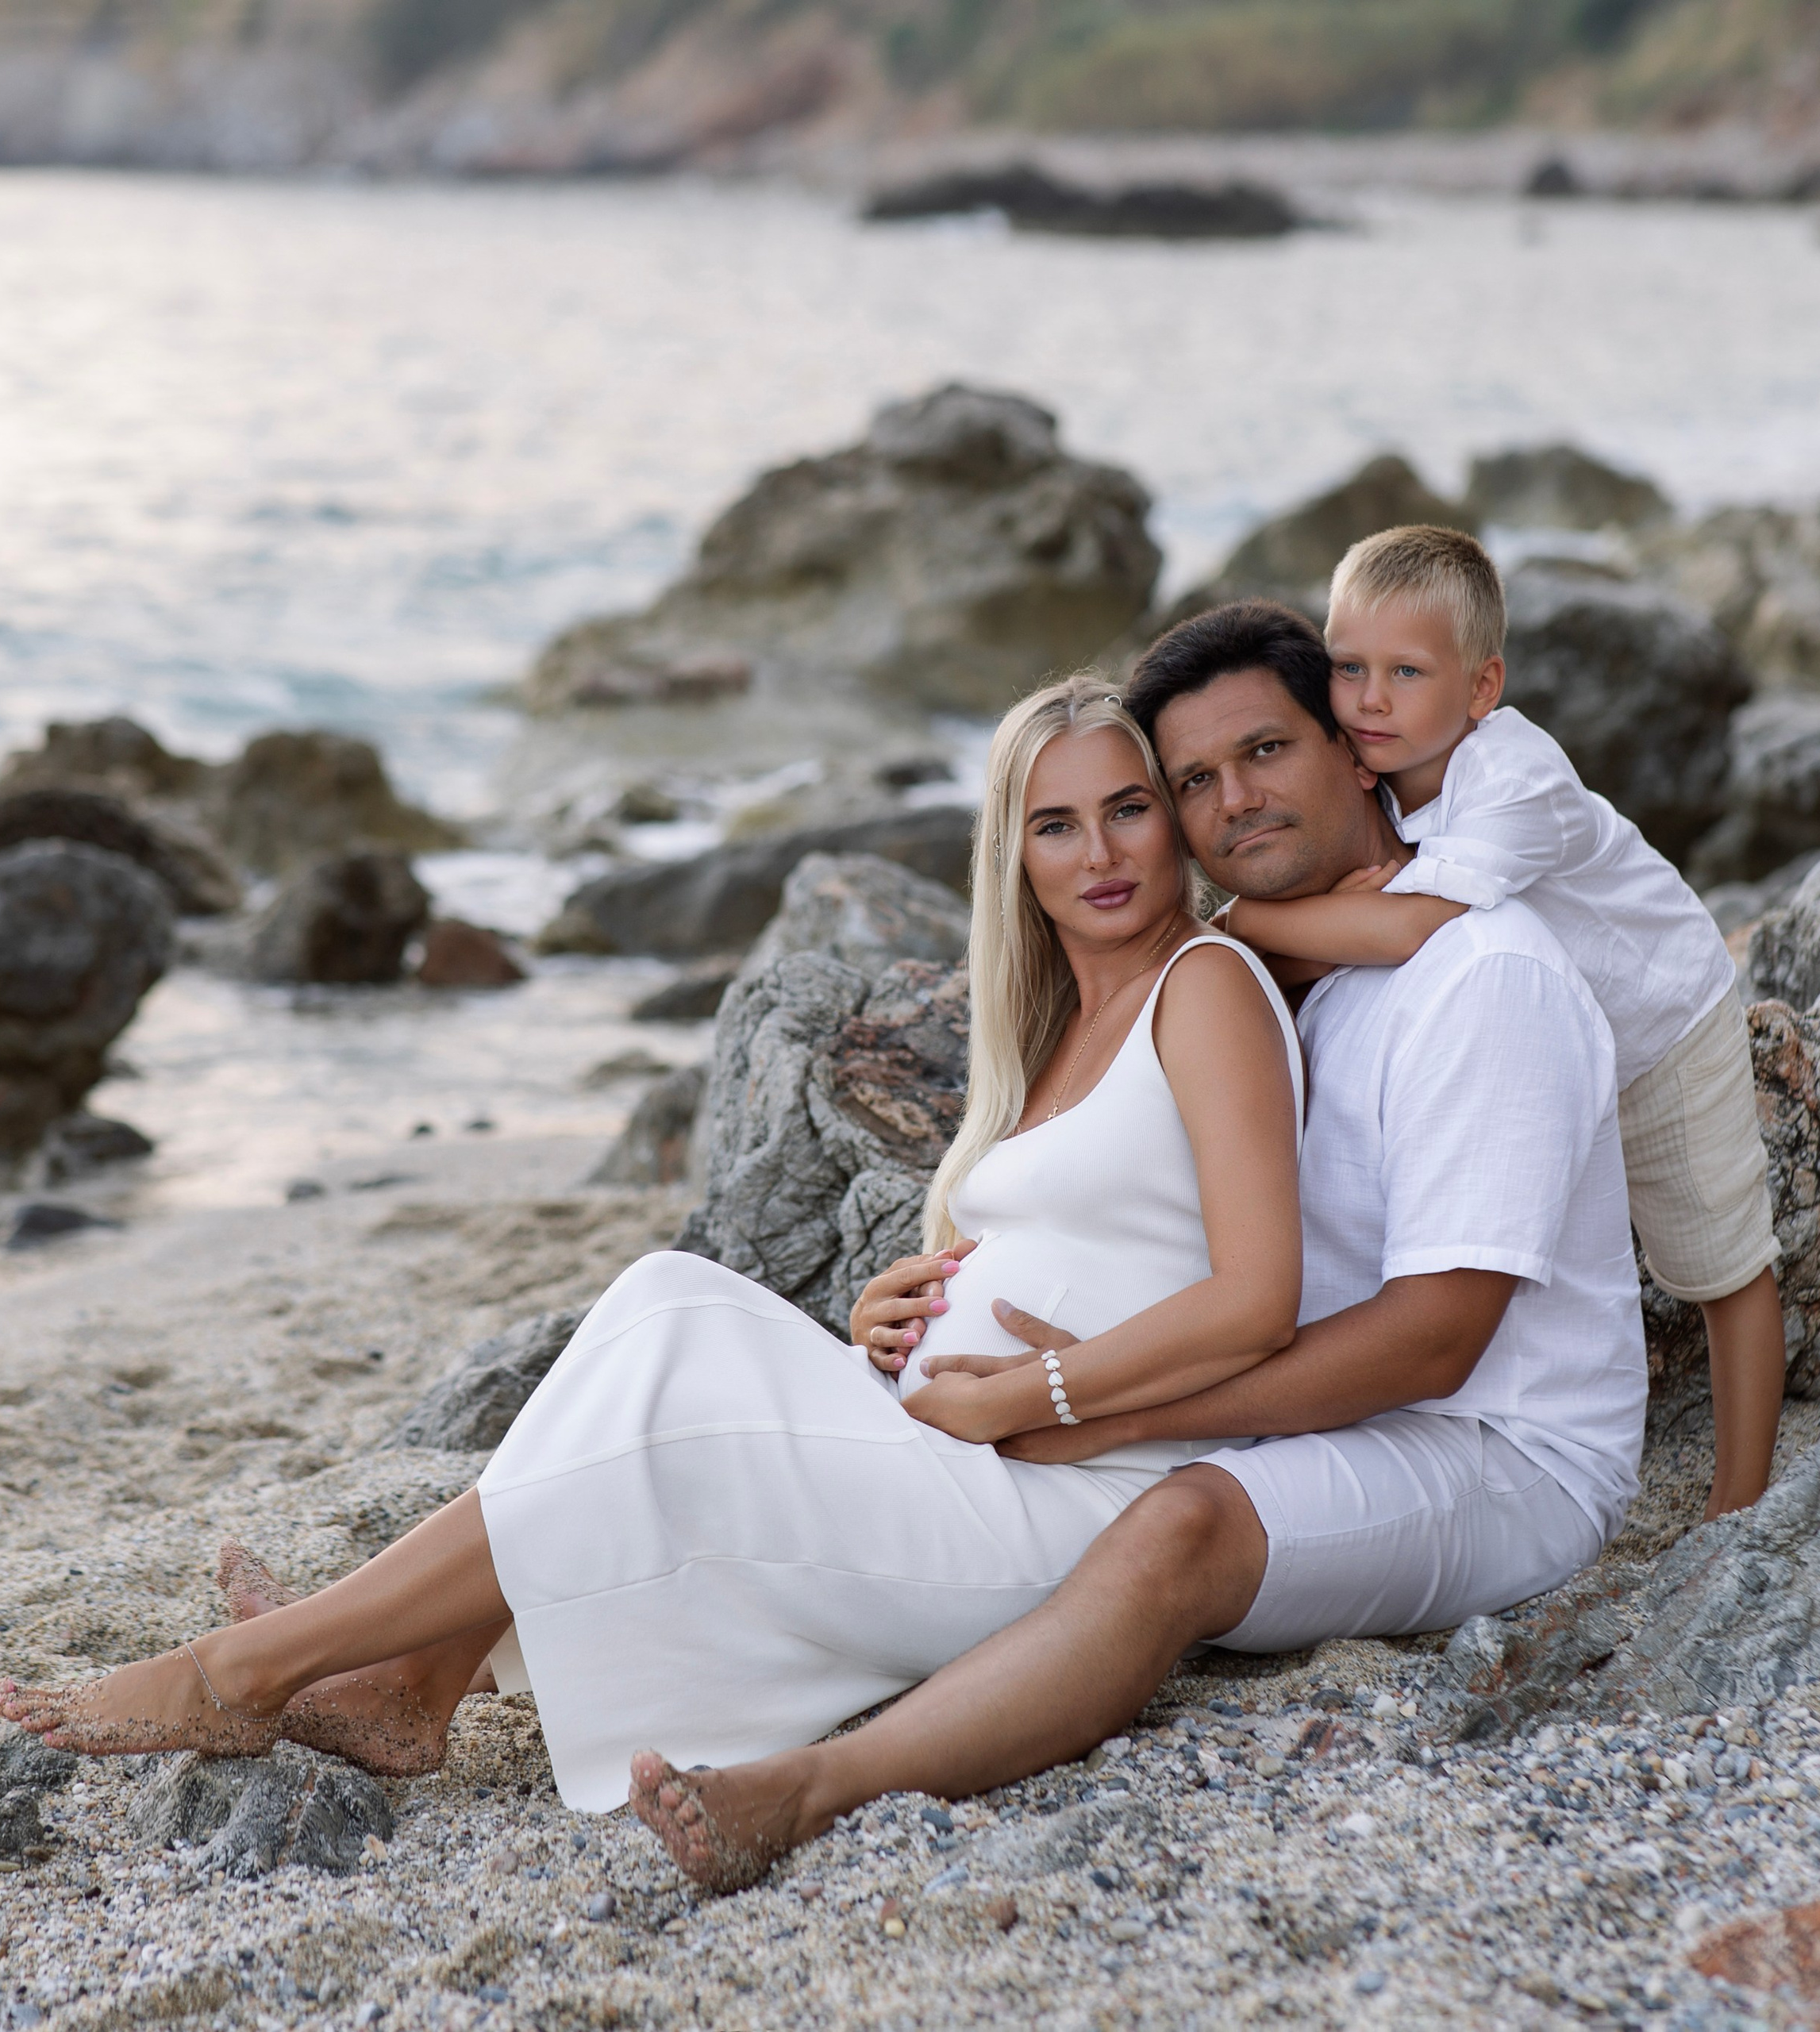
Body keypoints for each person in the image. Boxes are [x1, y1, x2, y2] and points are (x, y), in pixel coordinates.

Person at [0, 672, 1306, 1878]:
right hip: (961, 1447)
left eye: (1129, 809)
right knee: (666, 1299)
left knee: (670, 1390)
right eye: (1058, 825)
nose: (1103, 854)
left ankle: (263, 1667)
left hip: (1066, 1510)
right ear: (1013, 857)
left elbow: (1259, 1296)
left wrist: (1040, 1391)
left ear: (1171, 822)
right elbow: (1089, 1236)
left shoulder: (1208, 988)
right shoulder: (1067, 1022)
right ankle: (412, 1675)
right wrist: (904, 1304)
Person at [618, 598, 1648, 1896]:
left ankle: (813, 1787)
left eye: (1266, 753)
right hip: (1328, 1412)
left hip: (1505, 1452)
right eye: (1197, 781)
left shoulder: (1480, 978)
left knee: (1181, 1532)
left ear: (1355, 749)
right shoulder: (1284, 965)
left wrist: (1097, 1407)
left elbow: (1439, 1340)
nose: (1234, 804)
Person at [1218, 526, 1783, 1518]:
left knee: (1717, 1265)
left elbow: (1404, 932)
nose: (1370, 700)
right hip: (1544, 1035)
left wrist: (1237, 924)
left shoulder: (1514, 779)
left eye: (1406, 671)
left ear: (1481, 690)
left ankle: (1736, 1506)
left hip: (1656, 1015)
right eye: (1347, 669)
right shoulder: (1374, 762)